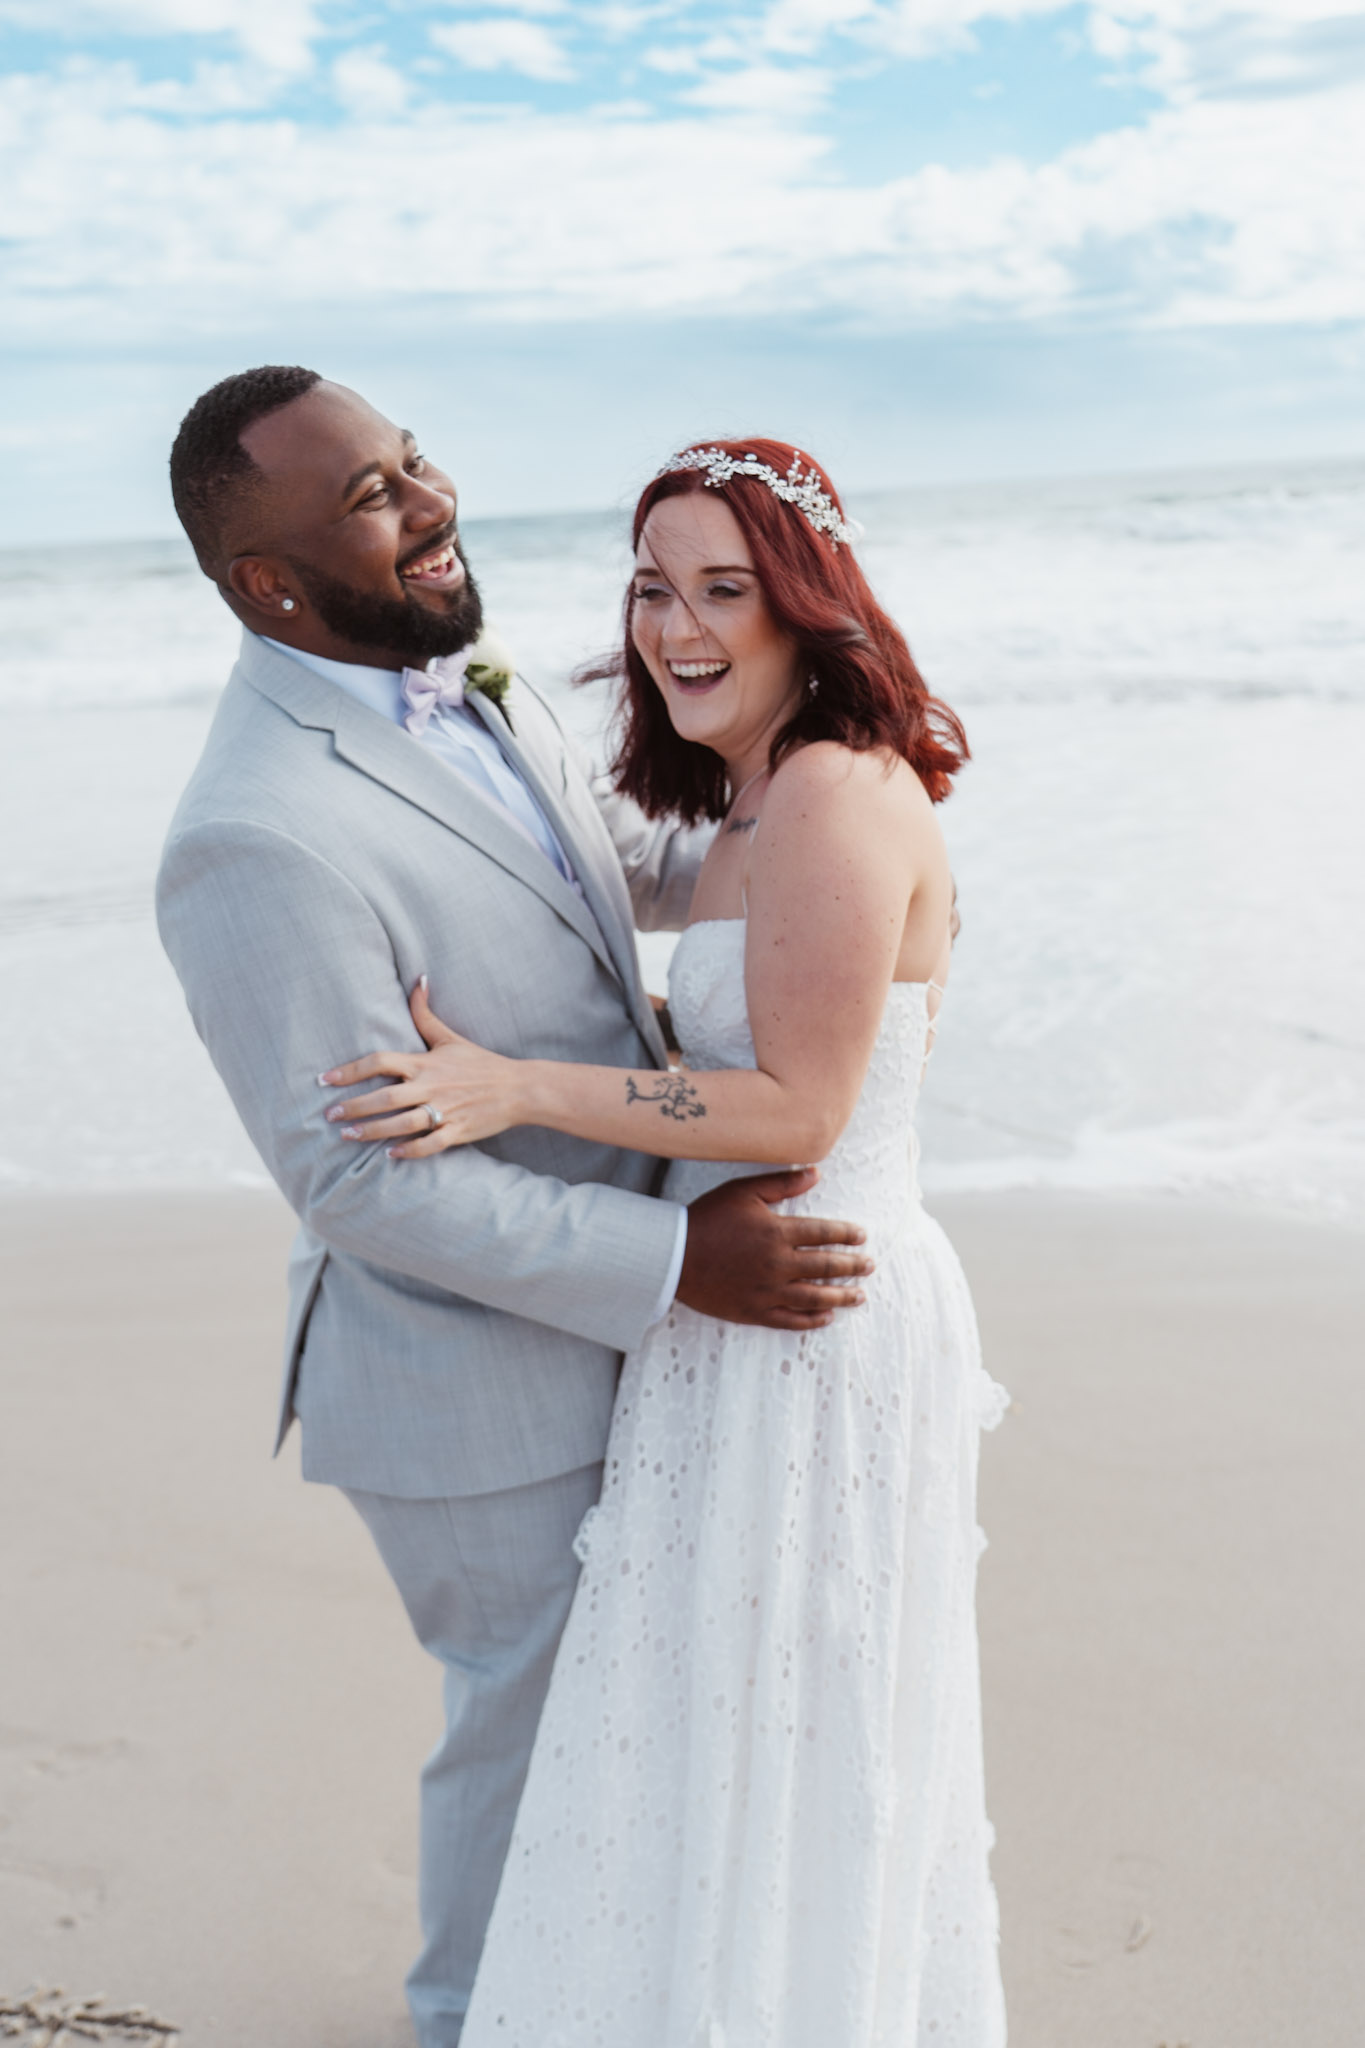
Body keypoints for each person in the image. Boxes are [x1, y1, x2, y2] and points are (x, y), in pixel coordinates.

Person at [155, 376, 874, 2048]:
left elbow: (599, 868)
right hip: (465, 1378)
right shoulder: (254, 832)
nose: (431, 503)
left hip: (615, 1325)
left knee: (631, 1722)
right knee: (536, 1736)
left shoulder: (451, 676)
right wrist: (677, 1260)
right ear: (270, 584)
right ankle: (468, 2022)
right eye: (373, 501)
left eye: (412, 462)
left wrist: (839, 822)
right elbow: (350, 1176)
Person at [321, 439, 1010, 2045]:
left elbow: (794, 1109)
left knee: (793, 1723)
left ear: (805, 608)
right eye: (650, 585)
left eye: (724, 588)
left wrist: (510, 1089)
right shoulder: (757, 802)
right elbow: (596, 894)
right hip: (727, 1318)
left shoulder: (836, 793)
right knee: (711, 1720)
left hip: (812, 1316)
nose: (674, 625)